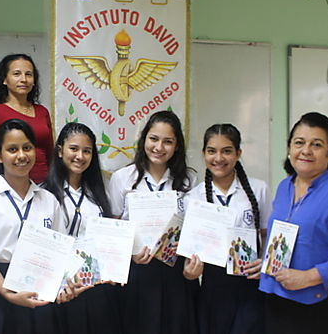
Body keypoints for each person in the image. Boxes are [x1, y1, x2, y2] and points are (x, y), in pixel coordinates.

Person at [259, 112, 328, 334]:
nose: (306, 150)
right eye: (299, 142)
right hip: (276, 299)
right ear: (290, 148)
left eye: (317, 144)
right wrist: (263, 264)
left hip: (321, 306)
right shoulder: (284, 187)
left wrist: (311, 277)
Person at [106, 110, 199, 334]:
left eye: (168, 141)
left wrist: (189, 251)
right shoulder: (123, 178)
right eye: (154, 139)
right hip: (137, 272)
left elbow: (194, 228)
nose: (159, 147)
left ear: (177, 146)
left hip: (175, 272)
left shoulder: (189, 179)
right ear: (144, 139)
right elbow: (113, 232)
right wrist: (130, 253)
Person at [0, 119, 65, 334]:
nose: (21, 156)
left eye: (27, 148)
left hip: (39, 291)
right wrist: (7, 293)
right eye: (12, 149)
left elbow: (60, 251)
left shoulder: (48, 200)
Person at [183, 123, 272, 334]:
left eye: (227, 151)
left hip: (251, 286)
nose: (219, 158)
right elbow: (190, 249)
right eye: (212, 151)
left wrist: (265, 265)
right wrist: (189, 272)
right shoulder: (194, 197)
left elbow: (267, 234)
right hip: (213, 289)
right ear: (203, 153)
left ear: (238, 153)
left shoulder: (259, 189)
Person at [42, 122, 122, 334]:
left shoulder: (97, 193)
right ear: (60, 151)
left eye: (86, 151)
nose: (80, 156)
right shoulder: (44, 194)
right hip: (62, 289)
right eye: (74, 149)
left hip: (96, 288)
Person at [0, 54, 53, 185]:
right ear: (4, 79)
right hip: (11, 187)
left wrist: (55, 185)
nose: (24, 79)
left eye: (29, 74)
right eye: (17, 74)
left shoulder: (42, 111)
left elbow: (50, 154)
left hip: (46, 186)